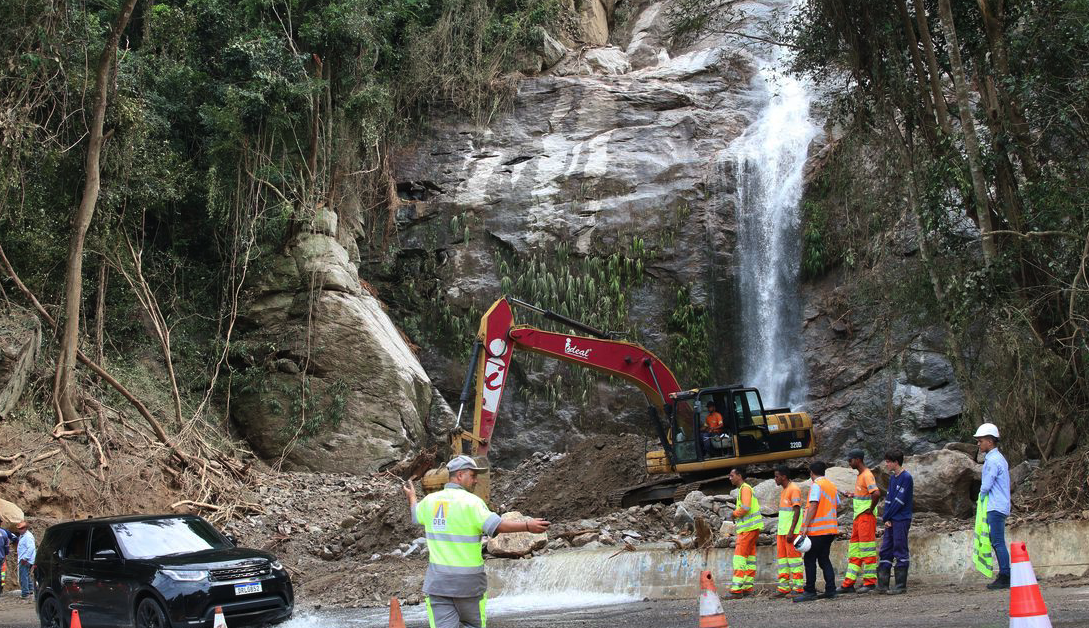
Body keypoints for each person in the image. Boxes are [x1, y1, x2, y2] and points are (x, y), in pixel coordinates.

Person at [404, 455, 550, 628]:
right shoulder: (472, 503)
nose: (475, 480)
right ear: (460, 475)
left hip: (439, 585)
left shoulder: (430, 501)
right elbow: (497, 525)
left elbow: (415, 515)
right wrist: (527, 526)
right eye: (472, 475)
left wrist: (412, 497)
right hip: (469, 586)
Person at [793, 461, 839, 603]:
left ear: (811, 473)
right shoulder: (831, 485)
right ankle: (831, 590)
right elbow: (837, 504)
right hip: (831, 529)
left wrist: (805, 526)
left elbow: (813, 505)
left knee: (809, 559)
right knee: (824, 559)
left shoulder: (816, 485)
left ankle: (810, 591)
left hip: (818, 530)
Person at [837, 449, 880, 594]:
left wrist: (870, 509)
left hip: (865, 518)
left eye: (850, 460)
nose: (849, 463)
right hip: (859, 518)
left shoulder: (867, 475)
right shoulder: (861, 475)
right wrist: (853, 495)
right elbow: (866, 494)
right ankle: (848, 584)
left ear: (858, 460)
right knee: (855, 551)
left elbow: (876, 493)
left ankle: (870, 583)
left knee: (867, 550)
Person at [974, 422, 1011, 589]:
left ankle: (1005, 575)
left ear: (990, 441)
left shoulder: (993, 460)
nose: (978, 444)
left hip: (995, 506)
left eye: (980, 441)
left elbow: (986, 485)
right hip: (999, 505)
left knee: (997, 542)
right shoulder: (998, 458)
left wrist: (980, 496)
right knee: (997, 541)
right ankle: (1005, 573)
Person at [879, 449, 913, 594]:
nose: (886, 464)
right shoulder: (893, 478)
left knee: (900, 548)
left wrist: (886, 517)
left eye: (888, 462)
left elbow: (899, 501)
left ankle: (900, 586)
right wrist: (887, 518)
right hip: (891, 519)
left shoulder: (906, 477)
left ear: (896, 462)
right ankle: (883, 584)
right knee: (886, 549)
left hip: (901, 518)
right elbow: (889, 499)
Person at [725, 466, 761, 599]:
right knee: (750, 558)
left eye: (732, 475)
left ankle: (736, 590)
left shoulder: (745, 489)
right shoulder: (745, 488)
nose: (730, 478)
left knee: (739, 558)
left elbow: (745, 507)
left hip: (747, 530)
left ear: (739, 476)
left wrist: (733, 514)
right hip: (752, 528)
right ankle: (747, 588)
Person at [773, 465, 804, 598]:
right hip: (782, 532)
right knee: (783, 561)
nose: (775, 479)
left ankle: (798, 588)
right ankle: (783, 587)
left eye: (777, 476)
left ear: (784, 477)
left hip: (791, 533)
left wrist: (791, 531)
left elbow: (797, 510)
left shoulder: (794, 489)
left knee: (794, 560)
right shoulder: (785, 490)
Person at [15, 520, 35, 600]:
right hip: (26, 559)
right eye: (19, 529)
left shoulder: (27, 537)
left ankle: (25, 593)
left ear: (26, 528)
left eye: (21, 528)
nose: (20, 530)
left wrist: (25, 558)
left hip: (25, 559)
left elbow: (31, 548)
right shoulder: (23, 536)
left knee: (23, 576)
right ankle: (30, 590)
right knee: (26, 575)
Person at [0, 525, 14, 594]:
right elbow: (6, 547)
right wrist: (5, 554)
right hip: (1, 557)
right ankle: (1, 588)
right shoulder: (4, 533)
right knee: (2, 573)